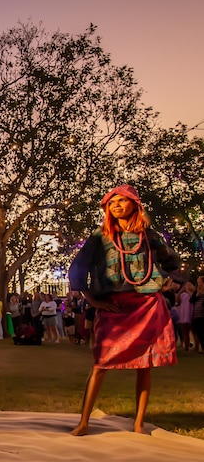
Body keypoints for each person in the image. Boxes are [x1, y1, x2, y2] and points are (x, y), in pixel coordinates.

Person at [68, 184, 180, 436]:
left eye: (122, 200)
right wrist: (93, 301)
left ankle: (139, 423)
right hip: (114, 307)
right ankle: (84, 422)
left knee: (144, 365)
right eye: (111, 202)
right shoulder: (100, 236)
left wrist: (165, 281)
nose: (116, 205)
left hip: (147, 306)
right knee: (101, 363)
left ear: (135, 205)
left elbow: (171, 262)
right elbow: (78, 269)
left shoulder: (149, 236)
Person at [177, 281, 194, 351]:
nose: (188, 286)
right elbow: (177, 300)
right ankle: (186, 346)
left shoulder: (194, 293)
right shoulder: (183, 294)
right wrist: (180, 291)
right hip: (184, 314)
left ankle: (197, 346)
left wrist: (187, 289)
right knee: (185, 331)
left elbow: (193, 298)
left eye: (190, 284)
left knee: (194, 331)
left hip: (191, 313)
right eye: (186, 285)